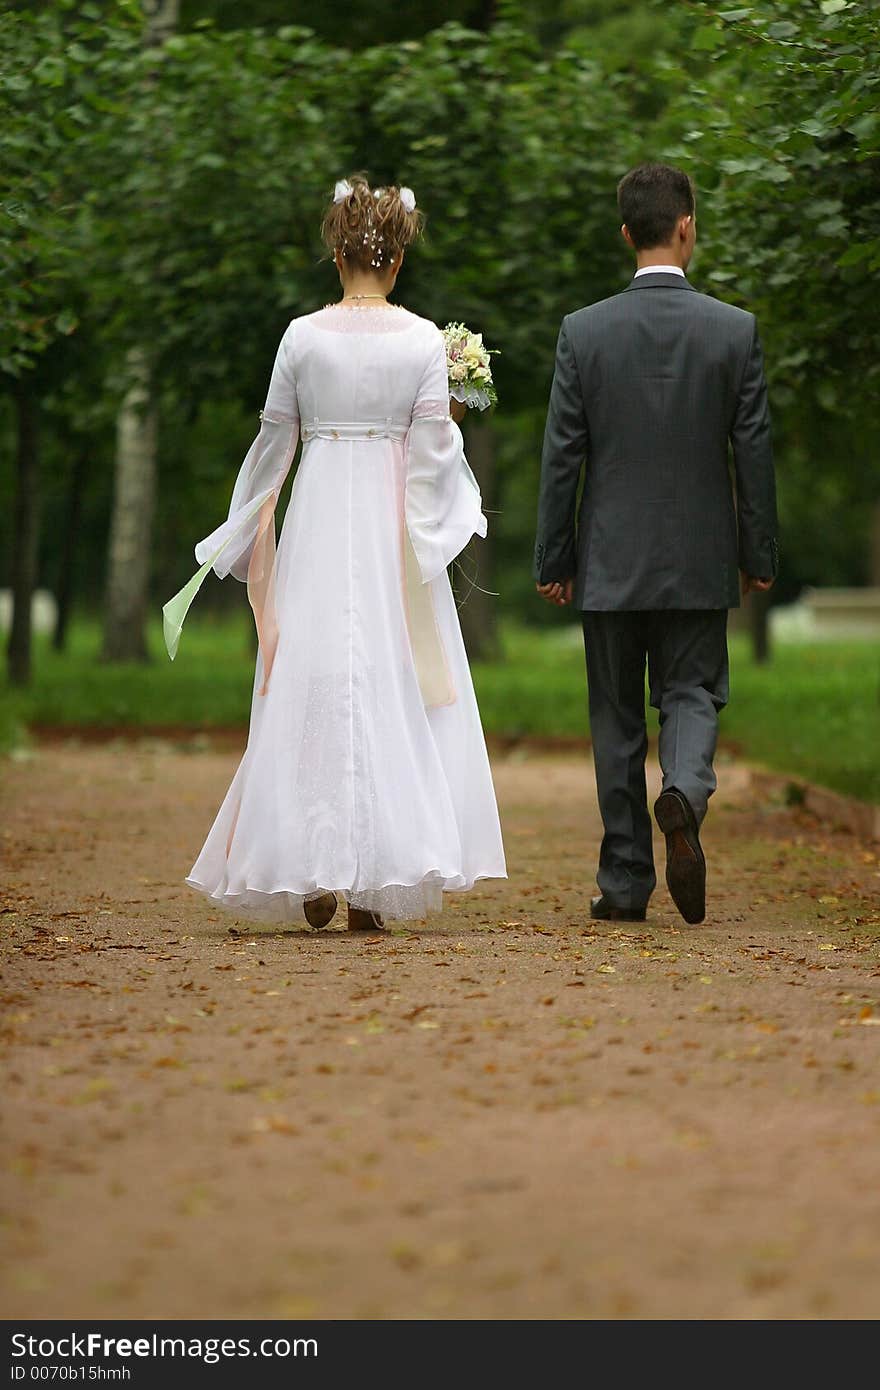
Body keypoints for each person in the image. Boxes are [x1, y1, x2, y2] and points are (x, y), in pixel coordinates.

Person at [167, 174, 506, 930]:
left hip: (321, 507)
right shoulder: (422, 339)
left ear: (337, 251)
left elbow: (274, 442)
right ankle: (373, 878)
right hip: (386, 518)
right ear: (397, 259)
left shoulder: (300, 336)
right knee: (386, 678)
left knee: (314, 677)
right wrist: (439, 529)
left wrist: (238, 528)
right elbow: (430, 452)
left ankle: (313, 860)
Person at [533, 162, 777, 925]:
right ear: (687, 227)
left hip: (609, 562)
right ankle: (685, 790)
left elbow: (562, 455)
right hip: (701, 562)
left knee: (615, 721)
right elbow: (753, 453)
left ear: (625, 234)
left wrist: (554, 556)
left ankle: (625, 883)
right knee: (693, 694)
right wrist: (758, 553)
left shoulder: (583, 332)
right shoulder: (735, 331)